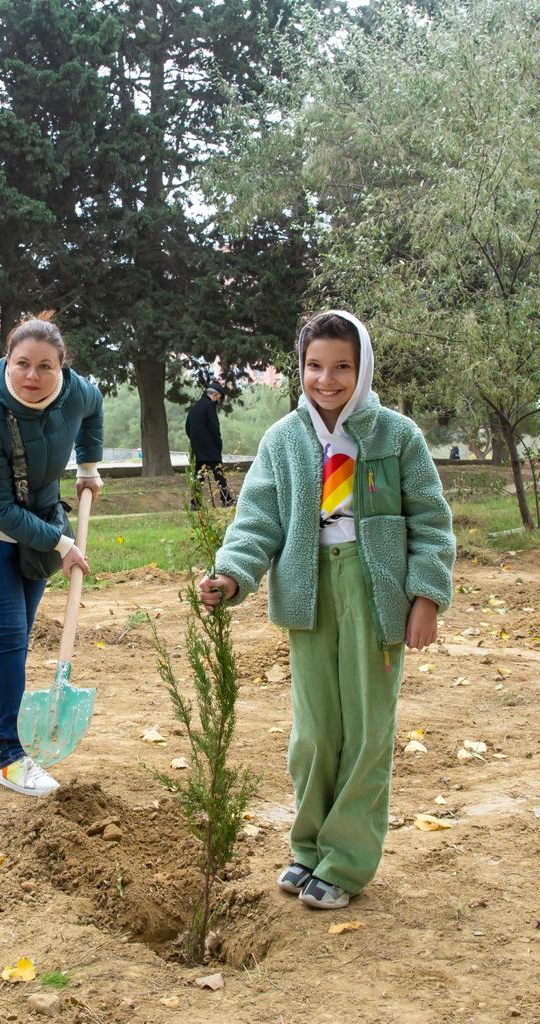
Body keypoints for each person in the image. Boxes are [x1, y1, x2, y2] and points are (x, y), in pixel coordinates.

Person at [199, 310, 455, 909]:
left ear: (362, 368)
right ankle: (309, 848)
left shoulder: (397, 435)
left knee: (368, 732)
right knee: (315, 734)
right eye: (316, 366)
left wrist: (426, 597)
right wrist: (232, 576)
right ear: (300, 368)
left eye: (343, 366)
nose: (328, 379)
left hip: (377, 594)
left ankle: (346, 862)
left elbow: (432, 523)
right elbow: (257, 519)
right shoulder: (285, 440)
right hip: (308, 592)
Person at [0, 312, 104, 797]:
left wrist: (89, 467)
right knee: (9, 628)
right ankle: (13, 756)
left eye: (45, 366)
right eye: (21, 364)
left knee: (15, 630)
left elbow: (94, 409)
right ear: (7, 362)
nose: (32, 376)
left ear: (63, 368)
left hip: (37, 514)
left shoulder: (77, 391)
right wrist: (63, 544)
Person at [185, 380, 234, 507]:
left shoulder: (194, 407)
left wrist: (195, 441)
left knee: (198, 475)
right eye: (219, 398)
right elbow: (214, 427)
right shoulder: (210, 406)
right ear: (215, 395)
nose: (218, 401)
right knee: (219, 474)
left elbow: (187, 427)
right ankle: (226, 499)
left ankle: (195, 502)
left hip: (198, 448)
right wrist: (218, 443)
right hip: (211, 447)